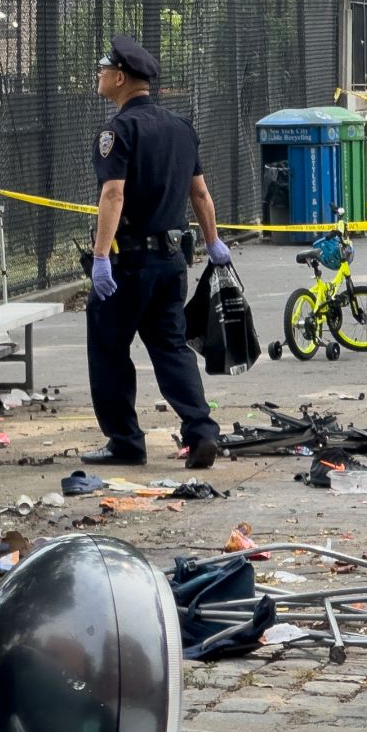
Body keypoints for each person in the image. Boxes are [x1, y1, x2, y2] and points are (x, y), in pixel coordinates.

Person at [82, 35, 230, 469]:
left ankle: (125, 441)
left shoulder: (118, 131)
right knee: (170, 347)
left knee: (108, 348)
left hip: (128, 262)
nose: (100, 74)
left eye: (104, 68)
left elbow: (113, 195)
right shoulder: (181, 128)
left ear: (121, 77)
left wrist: (101, 257)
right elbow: (200, 193)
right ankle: (201, 431)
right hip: (171, 261)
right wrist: (213, 242)